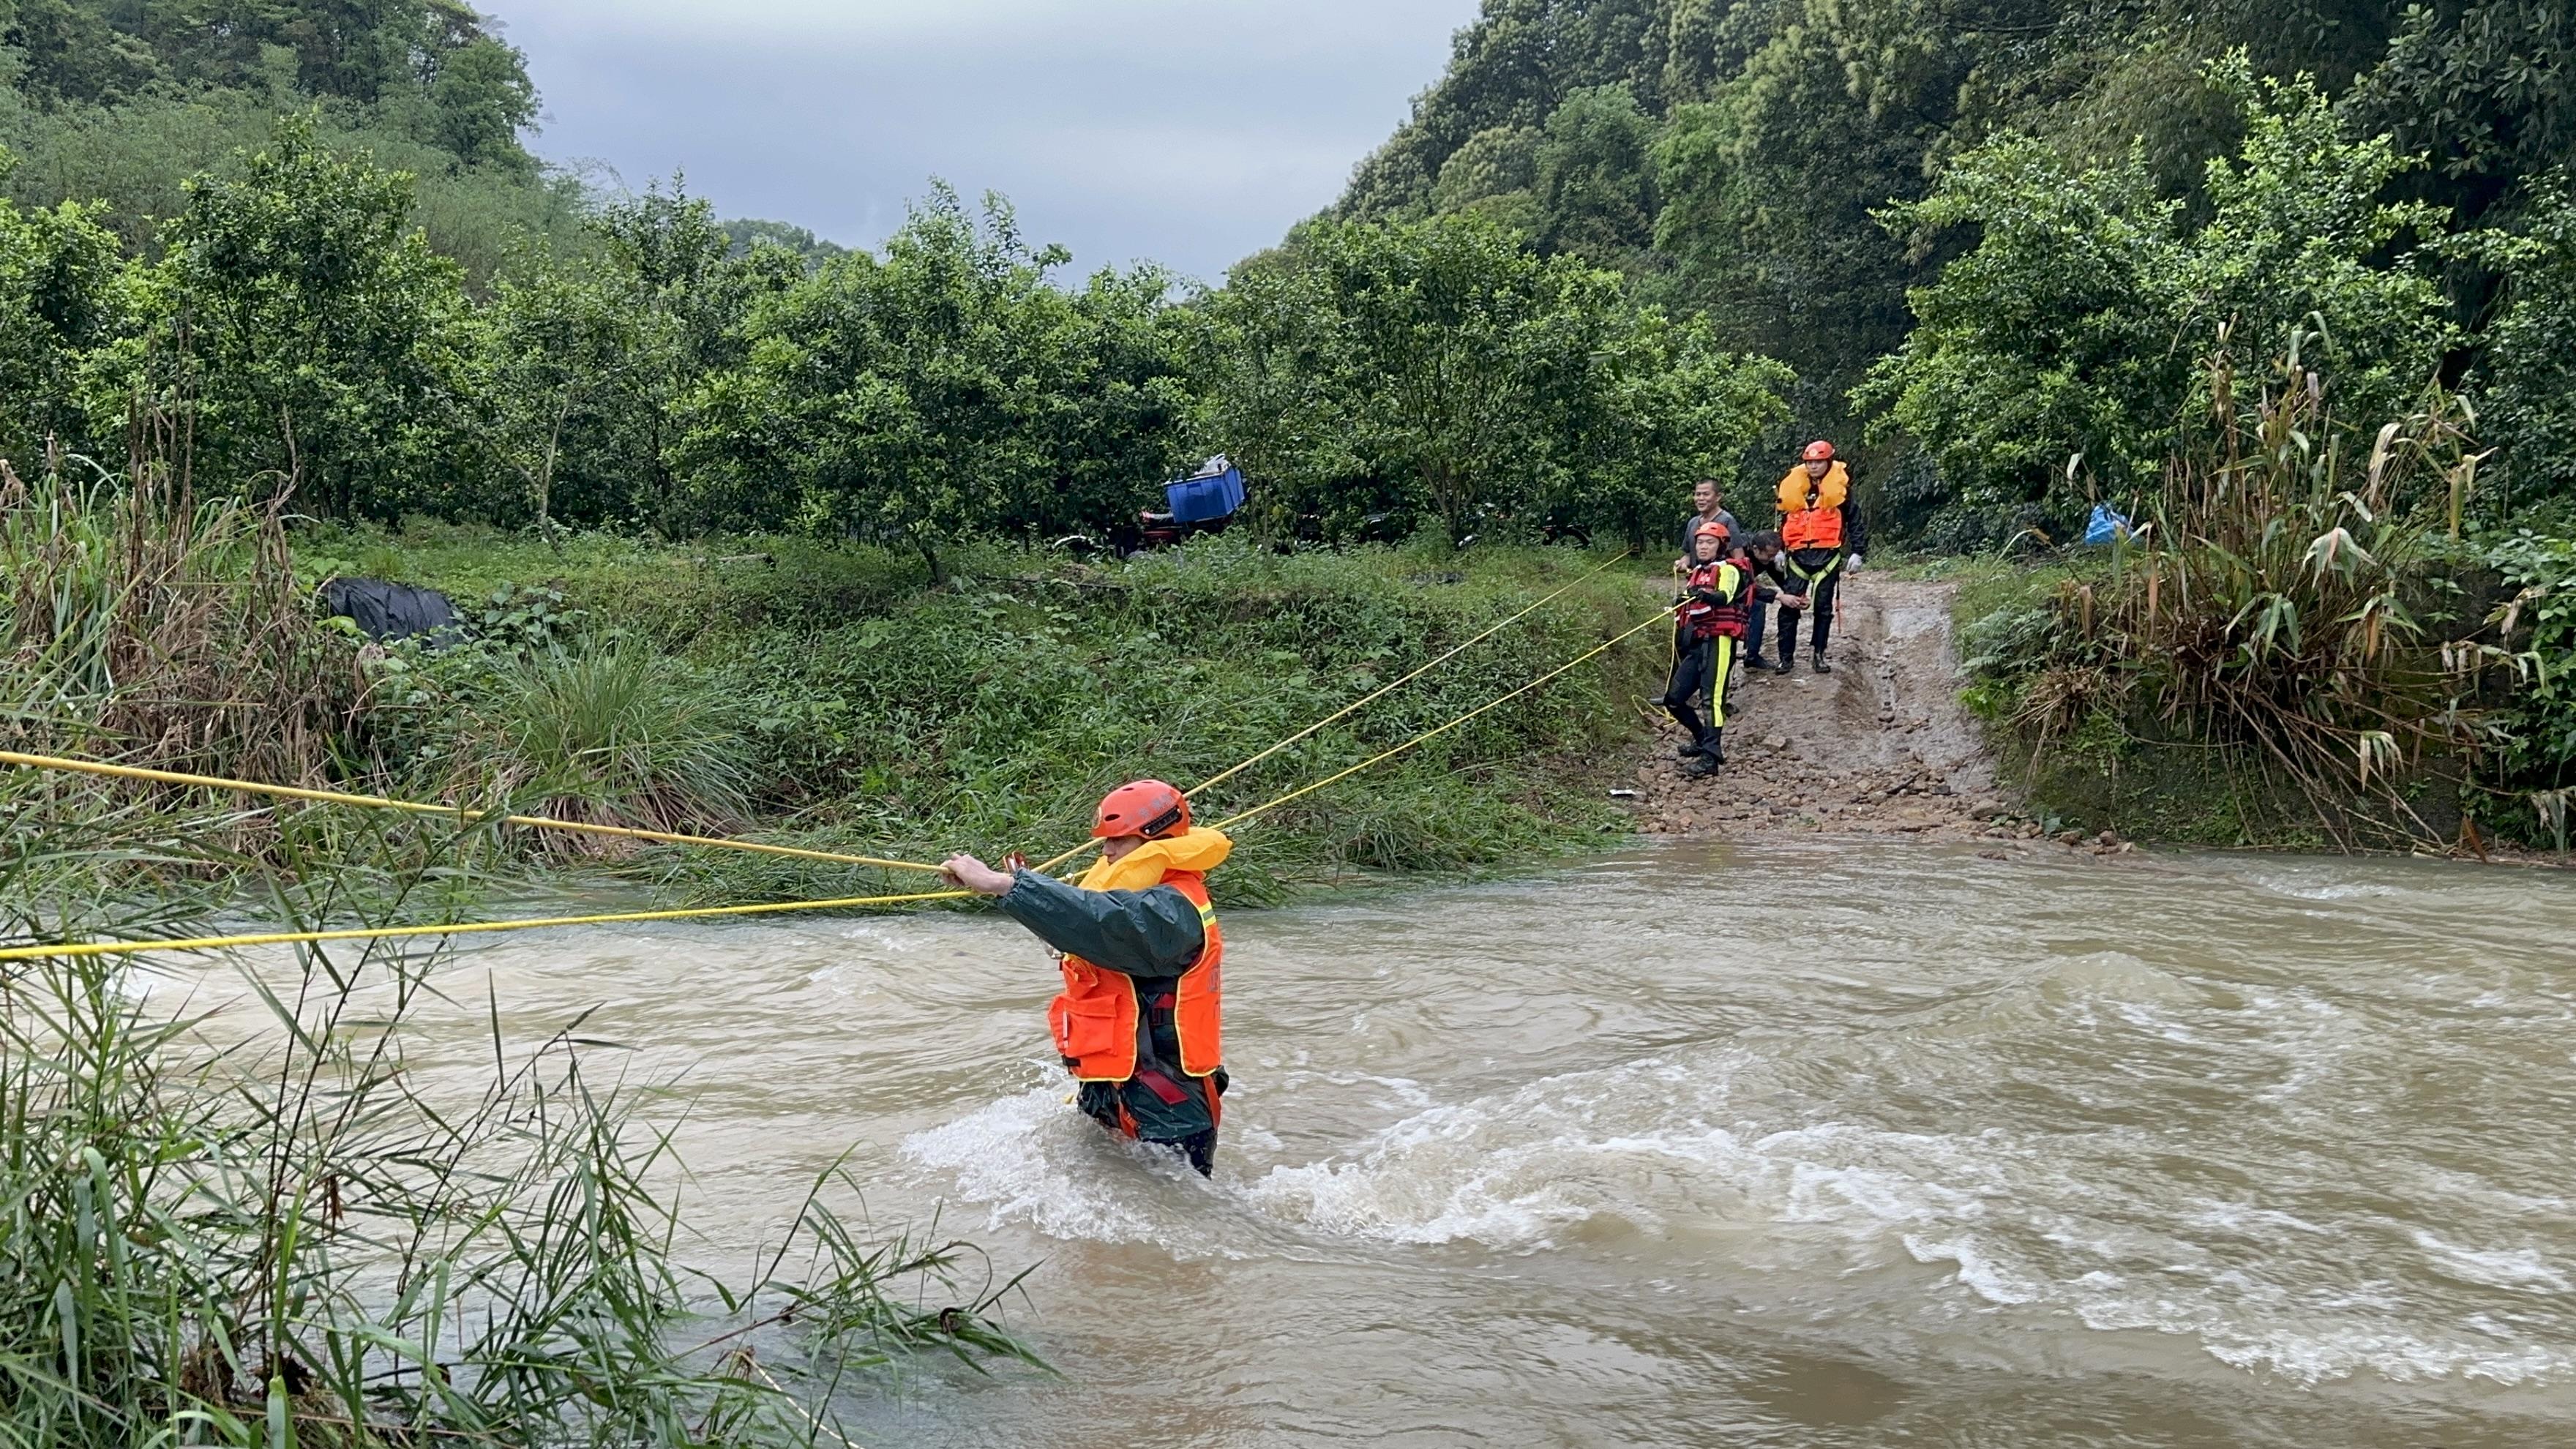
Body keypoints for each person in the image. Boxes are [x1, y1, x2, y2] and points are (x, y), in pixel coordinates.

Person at [940, 781, 1231, 1176]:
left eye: (1118, 841)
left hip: (1169, 1109)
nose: (1107, 852)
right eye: (1104, 842)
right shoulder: (1141, 899)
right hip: (1112, 1091)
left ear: (1155, 839)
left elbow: (1100, 921)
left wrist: (1004, 884)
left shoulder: (1173, 909)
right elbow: (1088, 917)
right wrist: (1010, 891)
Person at [1660, 523, 1751, 776]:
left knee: (1712, 700)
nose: (1703, 546)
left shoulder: (1729, 570)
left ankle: (1711, 757)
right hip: (1698, 642)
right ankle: (1701, 738)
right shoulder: (1697, 572)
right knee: (1673, 700)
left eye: (1709, 542)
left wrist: (1703, 595)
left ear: (1721, 546)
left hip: (1719, 640)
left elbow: (1726, 596)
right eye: (1700, 542)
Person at [1772, 441, 1870, 674]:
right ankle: (1786, 658)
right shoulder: (1796, 487)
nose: (1814, 466)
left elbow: (1854, 521)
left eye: (1818, 462)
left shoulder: (1840, 489)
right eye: (1810, 462)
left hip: (1827, 557)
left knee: (1823, 609)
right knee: (1789, 608)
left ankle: (1819, 654)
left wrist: (1858, 552)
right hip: (1797, 556)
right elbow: (1784, 521)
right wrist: (1778, 548)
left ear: (1828, 462)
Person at [1729, 530, 1789, 679]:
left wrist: (1794, 594)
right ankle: (1747, 656)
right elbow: (1744, 584)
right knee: (1757, 606)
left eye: (1775, 555)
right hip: (1725, 589)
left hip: (1741, 588)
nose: (1772, 559)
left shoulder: (1765, 557)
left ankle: (1751, 657)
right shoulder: (1738, 552)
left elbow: (1780, 578)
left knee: (1758, 605)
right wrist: (1778, 596)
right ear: (1755, 549)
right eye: (1770, 555)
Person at [1673, 479, 1741, 578]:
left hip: (1720, 583)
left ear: (1718, 497)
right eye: (1698, 494)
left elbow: (1738, 558)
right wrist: (1681, 563)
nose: (1701, 498)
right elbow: (1689, 554)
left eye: (1706, 494)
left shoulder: (1727, 521)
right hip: (1697, 582)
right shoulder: (1693, 523)